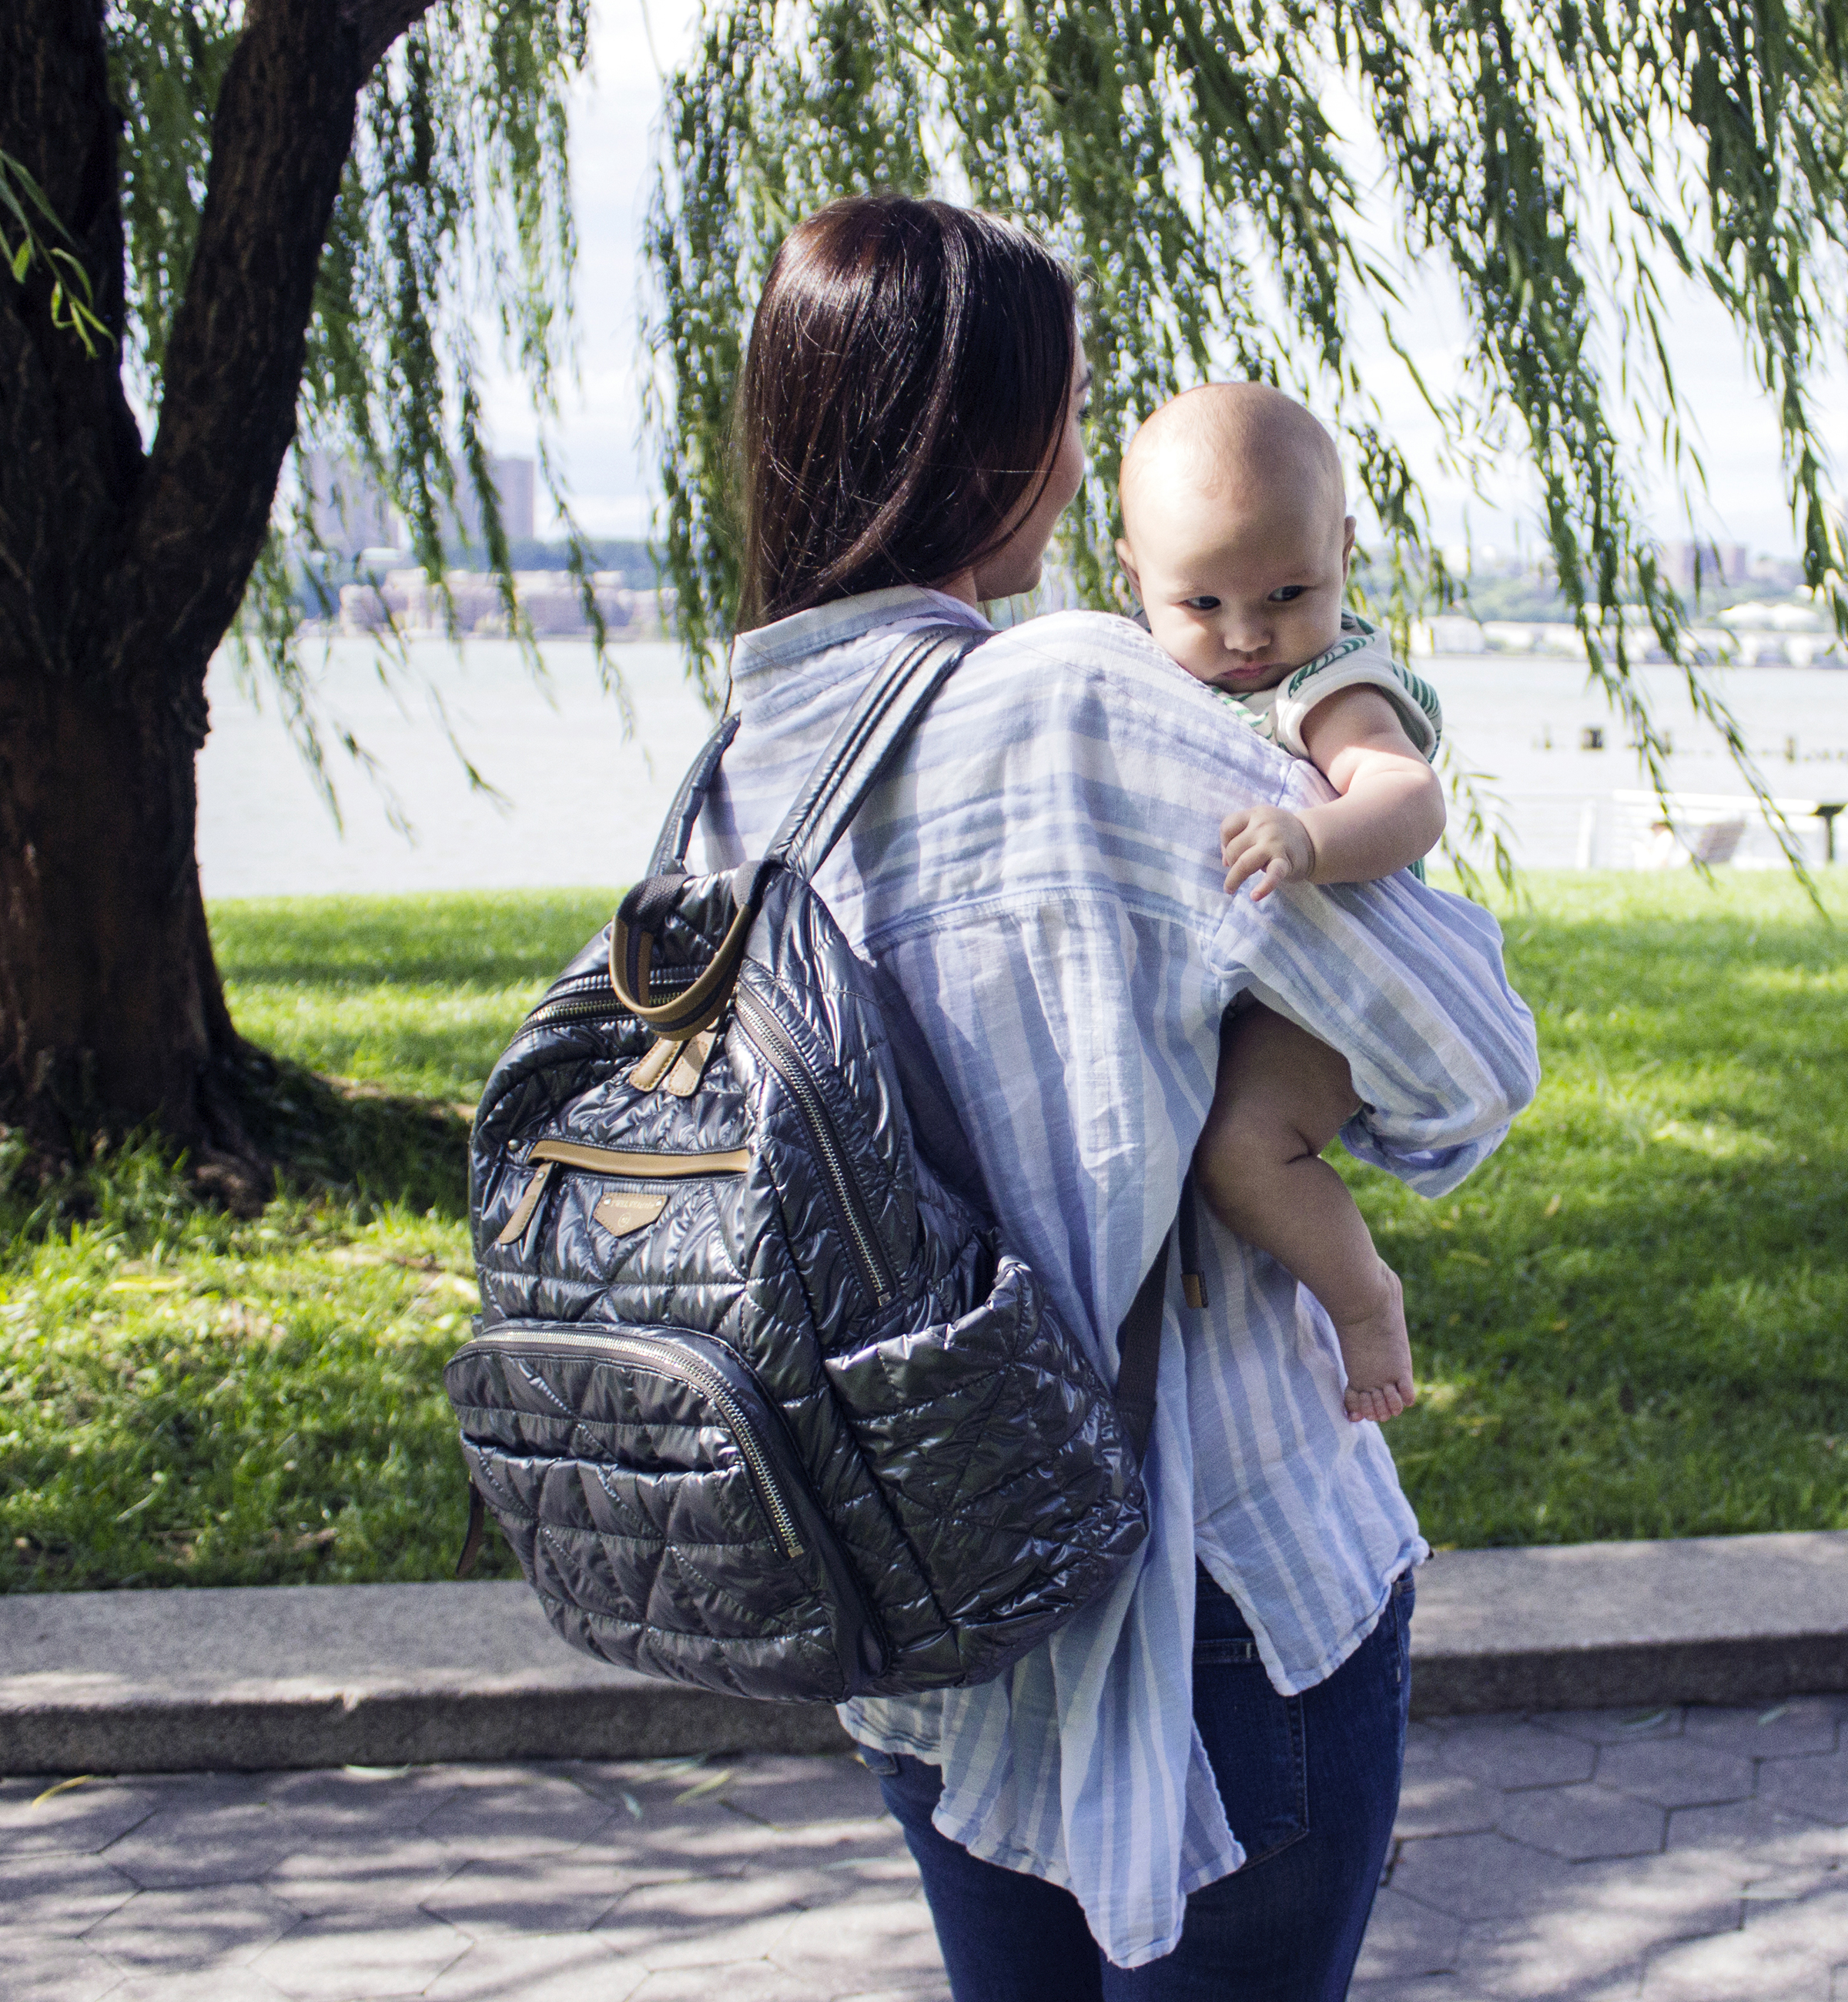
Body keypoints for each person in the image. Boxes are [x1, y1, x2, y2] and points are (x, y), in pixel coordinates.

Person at [685, 196, 1539, 1998]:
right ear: (1018, 445)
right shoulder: (1081, 694)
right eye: (1069, 408)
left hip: (920, 1585)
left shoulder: (733, 767)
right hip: (1217, 1577)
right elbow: (1465, 1061)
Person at [1115, 383, 1445, 1424]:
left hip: (1329, 990)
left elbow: (1410, 798)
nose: (1250, 635)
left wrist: (1311, 837)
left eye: (1289, 593)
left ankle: (1363, 1305)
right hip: (1251, 975)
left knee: (1243, 1152)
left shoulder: (1327, 686)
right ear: (1136, 579)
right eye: (1202, 605)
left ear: (1344, 551)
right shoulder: (1153, 673)